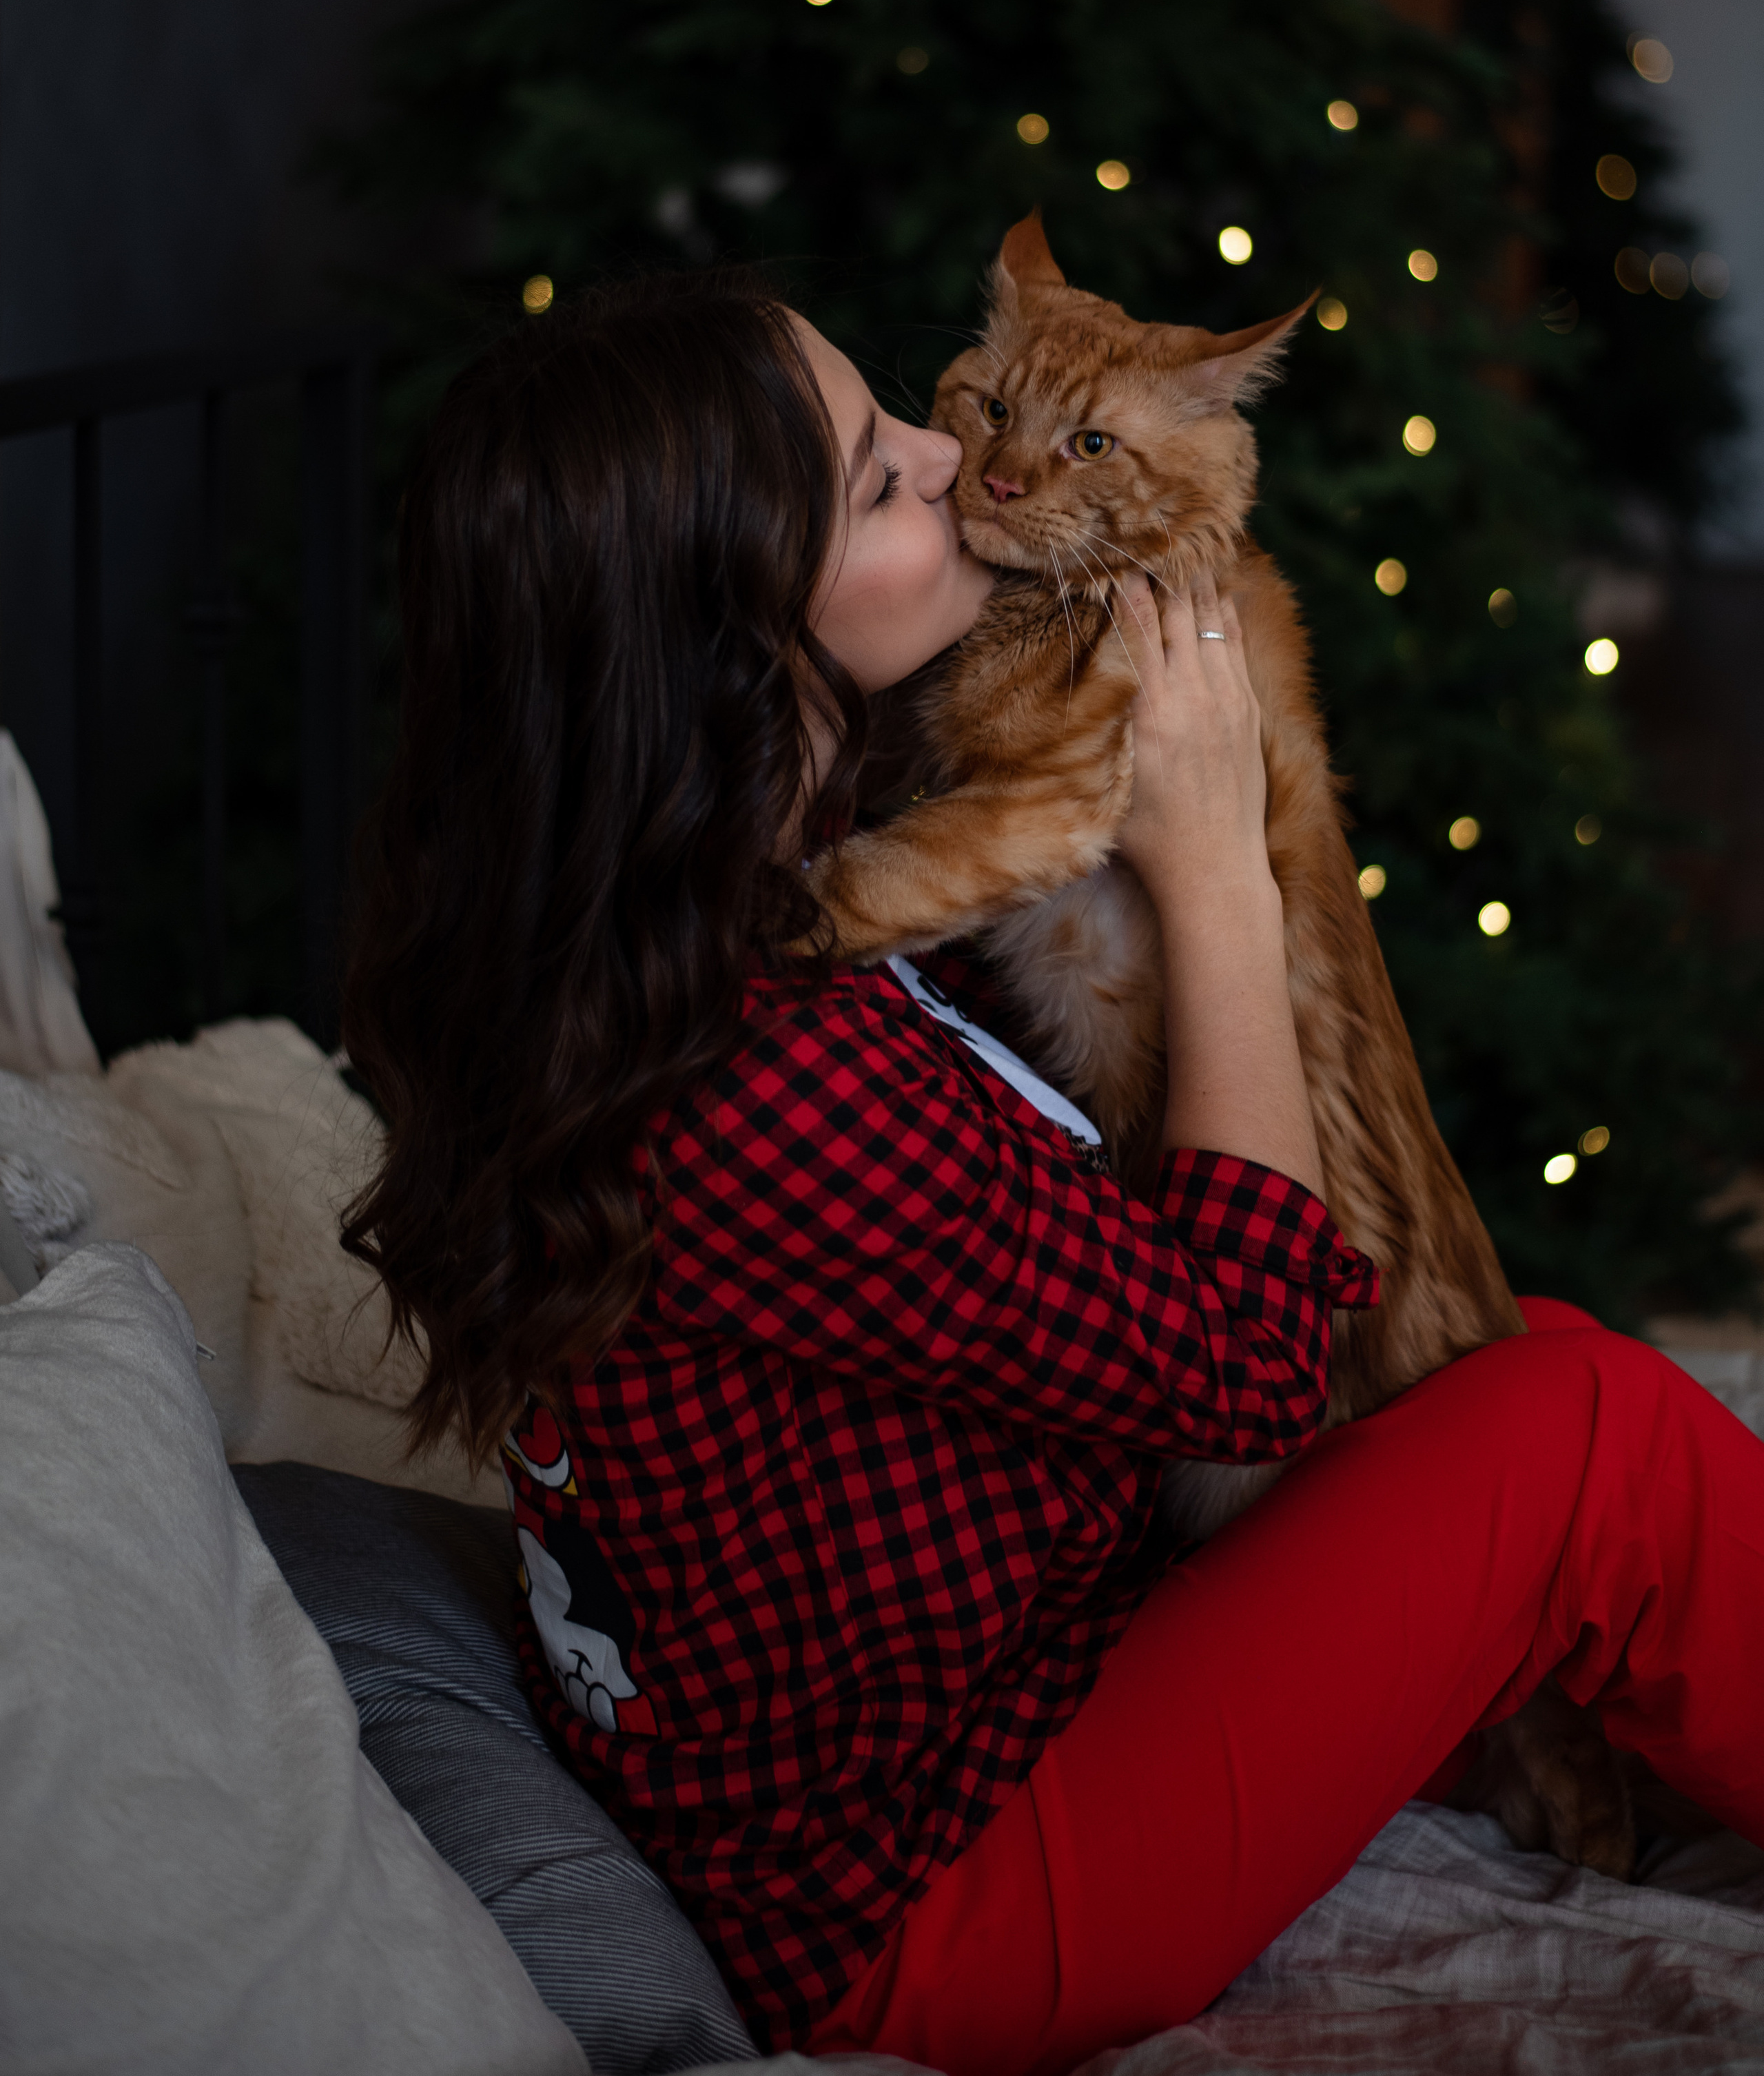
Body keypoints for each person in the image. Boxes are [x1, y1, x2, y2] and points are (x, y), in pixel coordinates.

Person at [342, 271, 1764, 2076]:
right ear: (732, 624)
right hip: (943, 1909)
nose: (951, 460)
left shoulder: (671, 936)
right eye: (876, 479)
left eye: (901, 414)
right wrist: (1214, 864)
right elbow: (1248, 1351)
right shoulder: (757, 1077)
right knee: (1591, 1433)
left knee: (1497, 1366)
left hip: (1032, 1667)